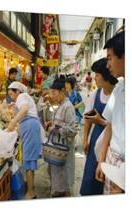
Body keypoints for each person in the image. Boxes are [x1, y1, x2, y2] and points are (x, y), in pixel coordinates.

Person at [80, 58, 118, 195]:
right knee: (91, 174)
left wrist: (101, 121)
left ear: (106, 76)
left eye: (97, 74)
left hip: (111, 143)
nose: (94, 78)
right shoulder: (96, 94)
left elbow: (117, 125)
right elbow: (88, 119)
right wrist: (85, 139)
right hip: (96, 139)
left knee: (105, 178)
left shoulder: (118, 95)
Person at [95, 30, 125, 194]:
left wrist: (124, 180)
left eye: (110, 58)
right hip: (111, 159)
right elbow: (110, 127)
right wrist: (101, 161)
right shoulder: (119, 88)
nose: (108, 65)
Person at [7, 81, 43, 199]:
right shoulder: (23, 97)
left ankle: (30, 193)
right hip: (29, 127)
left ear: (17, 91)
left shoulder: (22, 96)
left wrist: (14, 122)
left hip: (30, 127)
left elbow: (25, 109)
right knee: (29, 159)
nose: (11, 97)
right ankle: (30, 188)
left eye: (12, 94)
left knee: (28, 160)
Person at [46, 79, 76, 197]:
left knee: (65, 175)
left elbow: (72, 130)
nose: (52, 96)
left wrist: (55, 129)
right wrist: (52, 124)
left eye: (54, 93)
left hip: (64, 149)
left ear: (62, 91)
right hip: (57, 148)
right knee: (57, 173)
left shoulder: (68, 107)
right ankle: (58, 191)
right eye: (51, 93)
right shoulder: (61, 105)